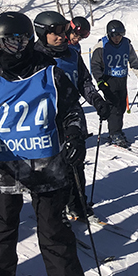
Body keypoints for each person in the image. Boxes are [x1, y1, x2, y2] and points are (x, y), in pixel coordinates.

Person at [0, 12, 86, 276]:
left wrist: (74, 136)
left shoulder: (50, 74)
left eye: (3, 44)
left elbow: (72, 111)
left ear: (20, 44)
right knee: (4, 228)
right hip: (7, 169)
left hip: (49, 166)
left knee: (53, 229)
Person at [33, 11, 111, 221]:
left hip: (72, 116)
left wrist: (97, 100)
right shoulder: (34, 57)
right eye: (55, 33)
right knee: (51, 167)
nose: (61, 37)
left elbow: (84, 82)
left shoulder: (72, 54)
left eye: (63, 32)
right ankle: (54, 212)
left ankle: (77, 204)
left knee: (75, 161)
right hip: (45, 119)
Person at [90, 20, 138, 148]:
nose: (117, 38)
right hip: (108, 81)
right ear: (109, 34)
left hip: (122, 79)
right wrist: (100, 80)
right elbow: (95, 66)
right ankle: (114, 133)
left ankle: (116, 131)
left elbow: (134, 63)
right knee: (113, 107)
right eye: (114, 35)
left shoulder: (126, 44)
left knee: (121, 107)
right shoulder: (101, 46)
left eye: (119, 35)